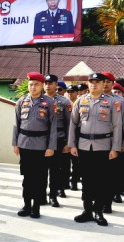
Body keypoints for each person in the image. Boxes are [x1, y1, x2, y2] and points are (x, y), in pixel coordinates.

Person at [68, 73, 122, 226]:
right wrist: (72, 144)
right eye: (91, 82)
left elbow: (117, 126)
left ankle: (98, 211)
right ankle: (87, 211)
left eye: (97, 82)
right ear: (88, 84)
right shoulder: (81, 100)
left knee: (101, 181)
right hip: (84, 145)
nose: (94, 85)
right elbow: (73, 124)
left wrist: (115, 148)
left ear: (102, 84)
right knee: (86, 180)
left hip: (103, 146)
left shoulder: (111, 102)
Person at [13, 72, 57, 219]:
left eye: (36, 84)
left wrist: (51, 147)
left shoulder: (49, 103)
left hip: (41, 146)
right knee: (26, 178)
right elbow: (16, 124)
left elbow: (53, 126)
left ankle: (36, 207)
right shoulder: (21, 101)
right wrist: (15, 143)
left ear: (42, 86)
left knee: (39, 178)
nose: (33, 87)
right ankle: (26, 205)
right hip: (24, 144)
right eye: (31, 84)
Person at [43, 75, 72, 207]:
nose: (48, 85)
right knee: (40, 170)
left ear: (56, 85)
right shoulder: (37, 100)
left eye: (51, 83)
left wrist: (68, 143)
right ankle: (41, 195)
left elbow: (69, 124)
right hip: (40, 140)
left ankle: (53, 195)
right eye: (46, 83)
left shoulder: (64, 102)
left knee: (55, 170)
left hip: (58, 139)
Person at [100, 72, 124, 211]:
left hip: (112, 144)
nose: (106, 83)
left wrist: (120, 144)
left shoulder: (119, 101)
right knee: (94, 175)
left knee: (109, 175)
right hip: (95, 144)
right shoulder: (89, 99)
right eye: (103, 80)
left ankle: (106, 203)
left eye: (109, 81)